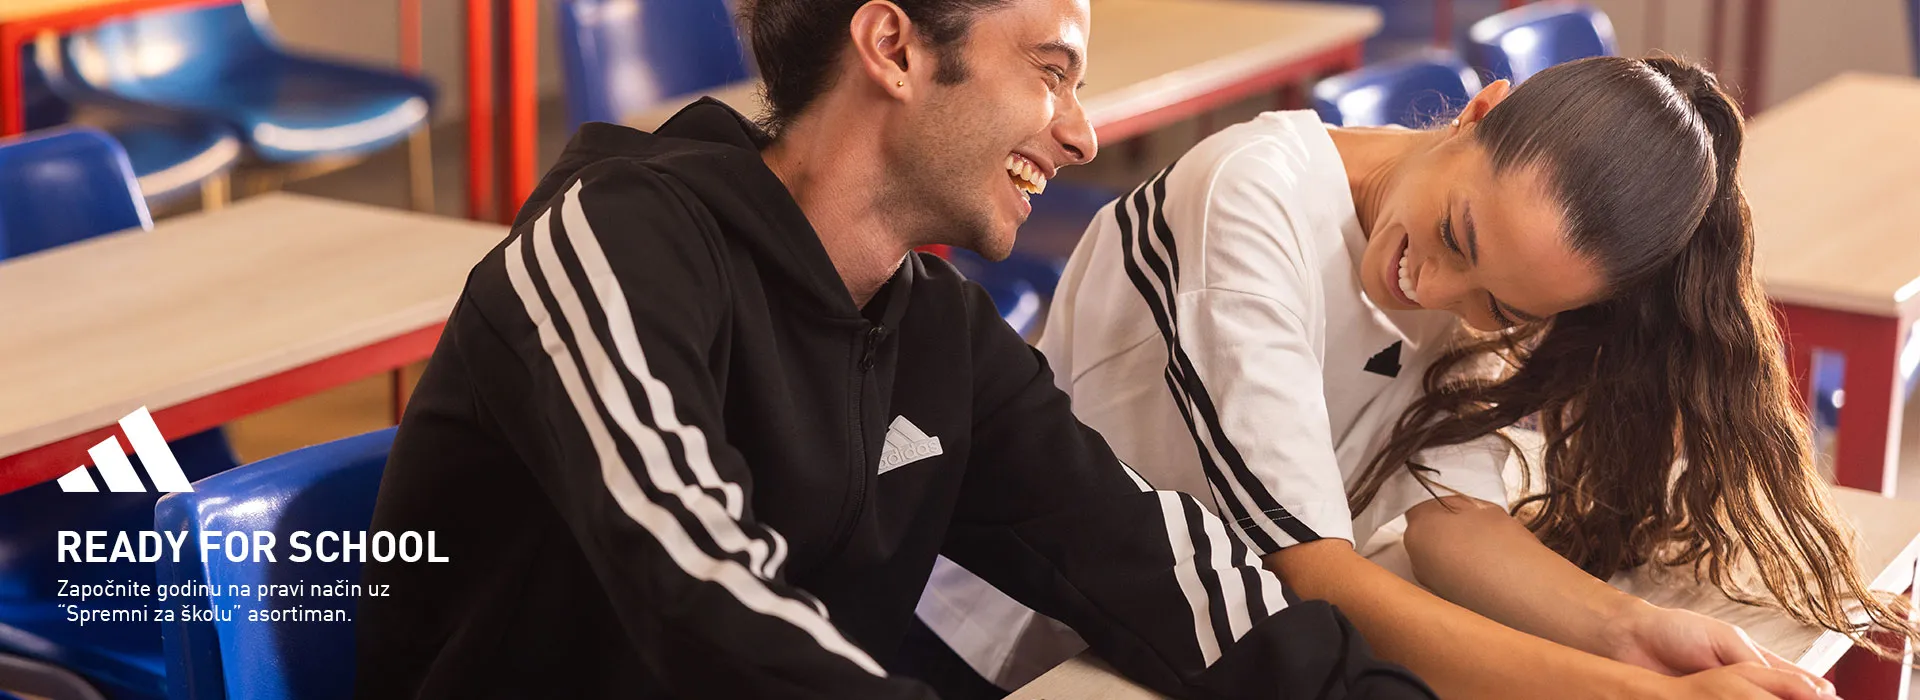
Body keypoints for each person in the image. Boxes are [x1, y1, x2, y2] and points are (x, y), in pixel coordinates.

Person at [350, 1, 1448, 698]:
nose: (1082, 133)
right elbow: (701, 593)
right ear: (894, 48)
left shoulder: (933, 328)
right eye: (1050, 71)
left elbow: (1161, 571)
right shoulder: (614, 243)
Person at [921, 55, 1910, 699]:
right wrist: (1638, 695)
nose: (1438, 289)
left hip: (1183, 650)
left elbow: (1448, 520)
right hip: (1008, 655)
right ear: (1481, 112)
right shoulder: (1246, 200)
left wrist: (1640, 634)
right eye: (1456, 236)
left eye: (1501, 307)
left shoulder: (1492, 267)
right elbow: (1314, 577)